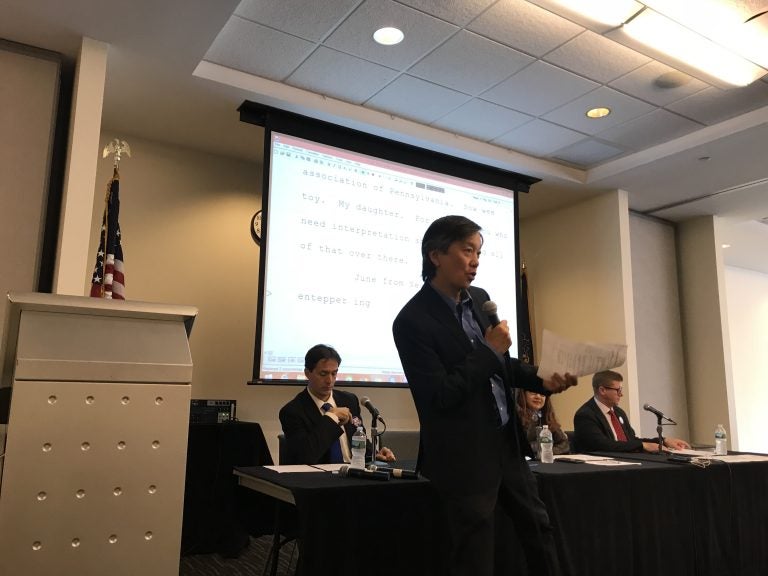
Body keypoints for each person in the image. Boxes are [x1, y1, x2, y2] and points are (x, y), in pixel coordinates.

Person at [392, 215, 577, 576]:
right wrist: (488, 351)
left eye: (479, 252)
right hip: (462, 457)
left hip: (506, 445)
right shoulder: (412, 321)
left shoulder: (479, 299)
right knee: (474, 552)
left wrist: (543, 379)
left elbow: (502, 367)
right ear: (436, 255)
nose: (475, 260)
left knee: (539, 529)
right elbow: (441, 395)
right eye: (467, 250)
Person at [279, 344, 395, 465]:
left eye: (334, 373)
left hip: (353, 471)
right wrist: (331, 417)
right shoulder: (292, 411)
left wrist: (375, 454)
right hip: (319, 478)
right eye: (323, 374)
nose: (330, 380)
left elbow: (360, 438)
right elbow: (305, 456)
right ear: (307, 373)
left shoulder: (349, 400)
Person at [573, 370, 690, 453]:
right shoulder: (585, 415)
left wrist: (663, 441)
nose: (621, 394)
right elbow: (602, 445)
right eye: (618, 390)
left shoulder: (618, 412)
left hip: (625, 461)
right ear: (602, 390)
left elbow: (631, 441)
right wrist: (643, 446)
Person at [516, 390, 570, 456]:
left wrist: (546, 451)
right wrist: (543, 445)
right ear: (523, 394)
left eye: (542, 394)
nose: (538, 397)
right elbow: (518, 447)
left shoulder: (546, 416)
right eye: (533, 392)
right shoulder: (514, 416)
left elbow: (565, 445)